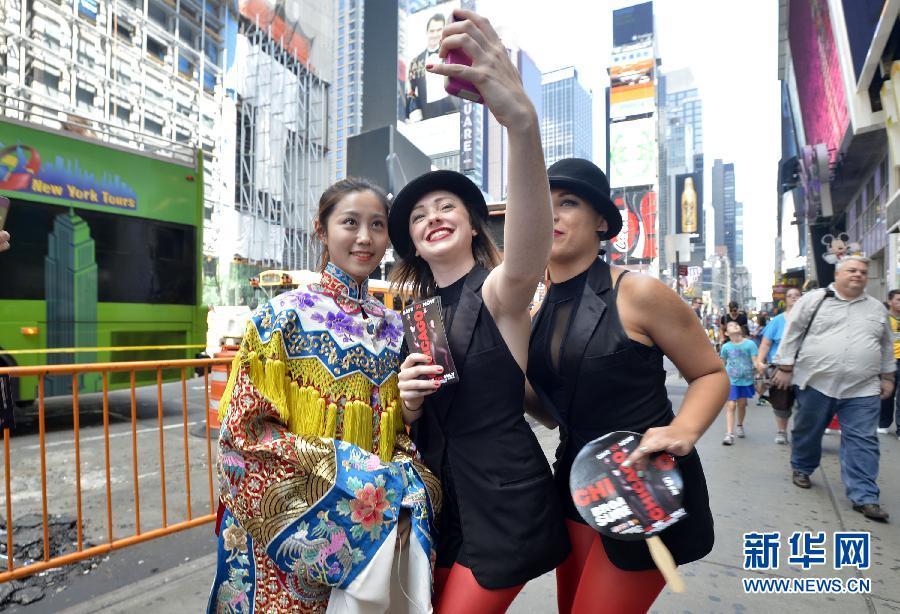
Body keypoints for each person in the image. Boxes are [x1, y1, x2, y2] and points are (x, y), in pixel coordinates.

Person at [390, 11, 570, 612]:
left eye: (446, 207)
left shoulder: (497, 291)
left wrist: (521, 125)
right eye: (419, 217)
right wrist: (408, 403)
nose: (433, 218)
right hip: (440, 505)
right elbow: (417, 419)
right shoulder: (417, 315)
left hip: (505, 502)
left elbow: (527, 254)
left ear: (473, 226)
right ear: (414, 246)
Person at [208, 178, 440, 612]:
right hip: (289, 532)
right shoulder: (280, 317)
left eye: (377, 225)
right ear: (322, 229)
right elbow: (243, 435)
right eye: (350, 222)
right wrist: (355, 479)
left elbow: (397, 434)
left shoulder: (395, 328)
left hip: (377, 533)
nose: (365, 237)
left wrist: (405, 486)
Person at [525, 158, 729, 614]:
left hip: (646, 486)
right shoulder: (538, 311)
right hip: (579, 488)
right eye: (541, 204)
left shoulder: (638, 292)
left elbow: (710, 374)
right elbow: (550, 413)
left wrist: (684, 430)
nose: (551, 214)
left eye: (568, 203)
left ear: (601, 222)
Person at [772, 256, 895, 521]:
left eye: (863, 271)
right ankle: (802, 467)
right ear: (837, 274)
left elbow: (886, 345)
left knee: (863, 440)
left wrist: (888, 377)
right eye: (852, 270)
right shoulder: (814, 300)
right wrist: (785, 367)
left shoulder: (876, 308)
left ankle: (865, 496)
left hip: (863, 388)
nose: (858, 274)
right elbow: (792, 332)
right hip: (816, 382)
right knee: (808, 430)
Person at [756, 287, 801, 443]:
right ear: (786, 300)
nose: (794, 298)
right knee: (781, 402)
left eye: (797, 295)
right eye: (790, 295)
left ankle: (802, 433)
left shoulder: (809, 319)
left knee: (806, 403)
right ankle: (782, 431)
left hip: (804, 367)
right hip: (780, 368)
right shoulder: (777, 321)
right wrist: (760, 362)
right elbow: (766, 343)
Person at [406, 12, 460, 121]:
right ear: (427, 32)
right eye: (432, 31)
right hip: (427, 113)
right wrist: (414, 109)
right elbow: (410, 90)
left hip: (452, 110)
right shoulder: (415, 62)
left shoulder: (453, 54)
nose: (435, 34)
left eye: (439, 30)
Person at [720, 321, 757, 445]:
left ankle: (740, 425)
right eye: (731, 325)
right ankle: (729, 434)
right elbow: (722, 363)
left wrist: (760, 366)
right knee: (731, 405)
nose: (735, 325)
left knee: (742, 404)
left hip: (746, 380)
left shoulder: (750, 344)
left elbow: (755, 361)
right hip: (731, 380)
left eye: (736, 324)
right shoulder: (726, 347)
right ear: (726, 333)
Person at [877, 289, 899, 437]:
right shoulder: (883, 318)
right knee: (887, 393)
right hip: (889, 360)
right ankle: (884, 423)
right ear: (890, 301)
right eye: (898, 300)